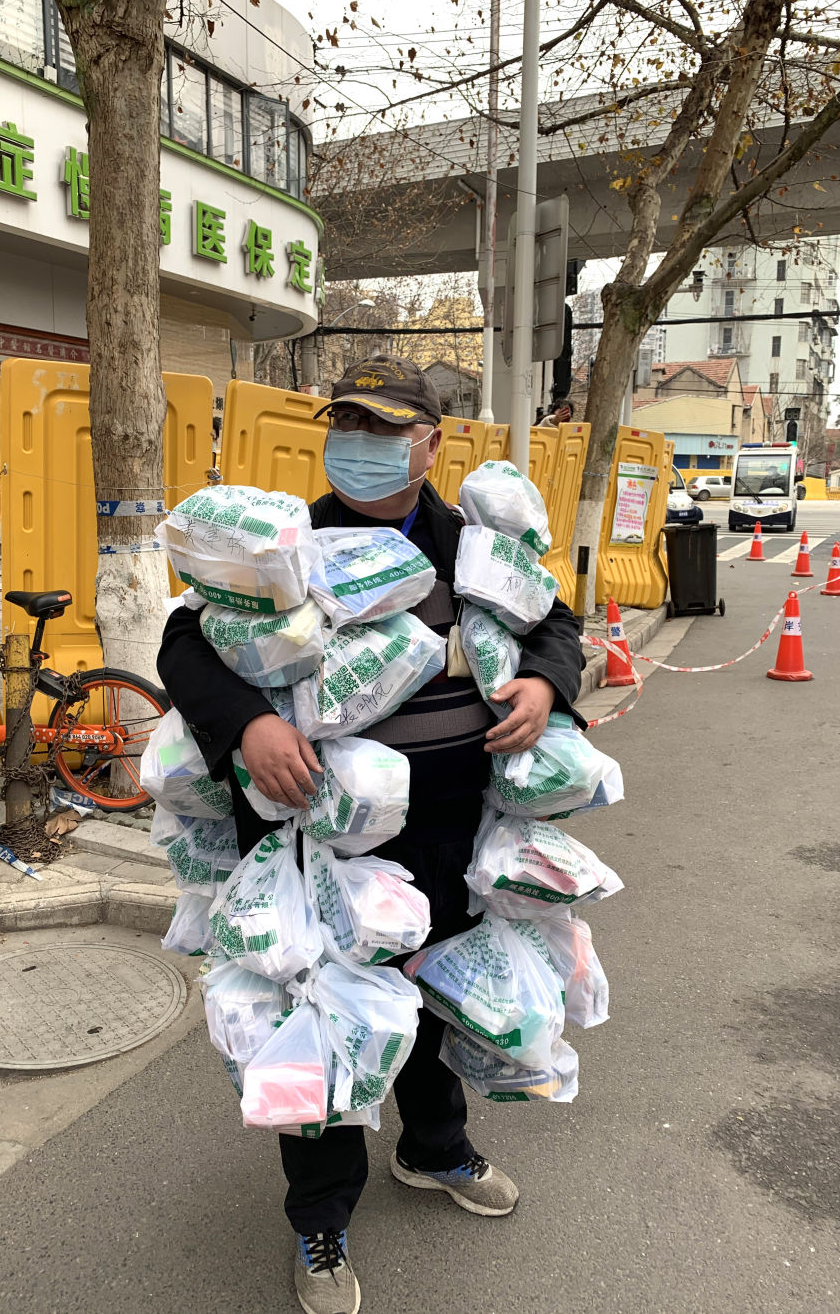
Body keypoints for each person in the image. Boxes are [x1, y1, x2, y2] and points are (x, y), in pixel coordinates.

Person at [158, 355, 586, 1314]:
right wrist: (248, 723)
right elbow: (183, 642)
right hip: (325, 839)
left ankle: (432, 1147)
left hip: (450, 830)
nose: (360, 447)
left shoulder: (471, 546)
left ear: (432, 444)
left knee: (437, 996)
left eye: (387, 430)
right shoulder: (289, 543)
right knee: (325, 1019)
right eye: (347, 425)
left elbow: (559, 623)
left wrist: (550, 682)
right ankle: (322, 1216)